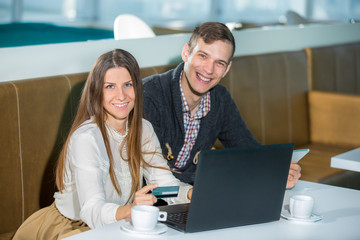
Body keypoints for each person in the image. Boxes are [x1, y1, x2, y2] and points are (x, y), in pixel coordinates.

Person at [13, 49, 192, 240]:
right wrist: (131, 209)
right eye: (110, 87)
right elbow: (92, 209)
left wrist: (192, 193)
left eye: (127, 84)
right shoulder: (87, 138)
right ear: (96, 91)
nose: (121, 95)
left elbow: (164, 186)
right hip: (70, 227)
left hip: (116, 224)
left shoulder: (143, 129)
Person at [143, 22, 301, 188]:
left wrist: (276, 170)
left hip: (192, 196)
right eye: (203, 56)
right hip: (148, 201)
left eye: (219, 63)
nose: (209, 70)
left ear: (227, 69)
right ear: (186, 52)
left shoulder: (220, 99)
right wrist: (221, 176)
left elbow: (248, 151)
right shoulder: (150, 95)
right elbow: (155, 173)